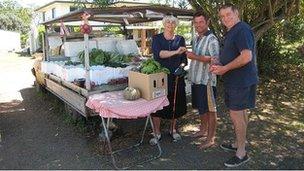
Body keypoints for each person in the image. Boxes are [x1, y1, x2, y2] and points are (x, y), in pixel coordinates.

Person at [210, 3, 259, 167]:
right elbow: (233, 53)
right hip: (237, 80)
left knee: (237, 116)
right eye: (222, 16)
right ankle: (239, 144)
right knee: (241, 114)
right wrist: (219, 61)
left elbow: (246, 56)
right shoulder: (232, 31)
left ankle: (241, 153)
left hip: (240, 81)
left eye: (228, 14)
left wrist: (224, 68)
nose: (225, 19)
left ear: (236, 13)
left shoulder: (242, 29)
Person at [150, 14, 188, 145]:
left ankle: (173, 129)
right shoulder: (157, 38)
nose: (170, 24)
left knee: (175, 103)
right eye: (168, 22)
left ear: (176, 24)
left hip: (176, 77)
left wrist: (181, 68)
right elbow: (159, 54)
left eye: (173, 22)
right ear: (164, 24)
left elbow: (184, 59)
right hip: (160, 77)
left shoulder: (180, 39)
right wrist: (176, 52)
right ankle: (156, 132)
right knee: (157, 104)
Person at [186, 11, 219, 149]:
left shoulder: (212, 39)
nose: (198, 25)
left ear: (207, 22)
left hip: (207, 81)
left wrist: (194, 57)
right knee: (202, 108)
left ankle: (210, 139)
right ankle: (202, 130)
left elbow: (215, 59)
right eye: (196, 22)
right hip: (197, 79)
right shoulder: (197, 38)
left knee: (211, 110)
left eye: (201, 22)